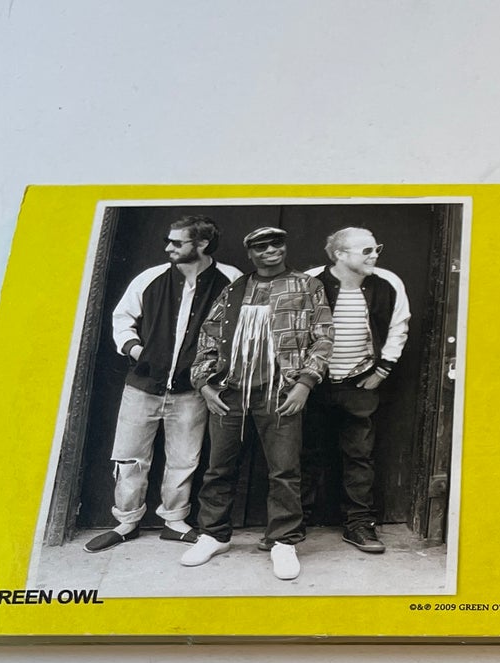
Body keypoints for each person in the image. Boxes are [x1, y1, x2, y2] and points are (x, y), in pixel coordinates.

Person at [182, 226, 334, 581]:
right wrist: (205, 385)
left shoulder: (307, 286)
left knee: (284, 471)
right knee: (218, 468)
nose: (270, 251)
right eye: (260, 246)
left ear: (285, 246)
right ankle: (213, 535)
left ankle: (283, 541)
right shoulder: (235, 289)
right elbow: (208, 336)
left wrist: (305, 384)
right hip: (230, 392)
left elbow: (324, 337)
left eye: (276, 243)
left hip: (280, 392)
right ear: (249, 253)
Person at [84, 216, 241, 552]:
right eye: (168, 241)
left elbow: (241, 329)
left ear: (202, 244)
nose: (168, 247)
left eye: (177, 242)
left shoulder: (230, 280)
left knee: (184, 459)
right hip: (142, 386)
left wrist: (212, 372)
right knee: (129, 457)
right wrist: (136, 350)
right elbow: (122, 318)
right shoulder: (150, 277)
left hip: (192, 391)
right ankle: (126, 522)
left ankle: (174, 521)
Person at [301, 227, 411, 554]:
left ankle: (359, 524)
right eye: (366, 251)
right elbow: (290, 328)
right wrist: (300, 378)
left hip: (358, 383)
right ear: (339, 254)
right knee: (303, 453)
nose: (374, 255)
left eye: (376, 248)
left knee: (359, 456)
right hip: (313, 384)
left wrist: (383, 369)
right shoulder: (310, 281)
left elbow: (399, 326)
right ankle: (292, 524)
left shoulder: (387, 282)